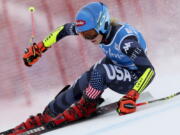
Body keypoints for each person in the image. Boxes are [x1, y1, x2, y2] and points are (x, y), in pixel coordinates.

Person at [12, 2, 155, 134]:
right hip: (116, 65)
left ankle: (86, 105)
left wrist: (132, 95)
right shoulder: (93, 29)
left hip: (134, 78)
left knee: (100, 72)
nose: (88, 38)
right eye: (83, 35)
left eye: (91, 34)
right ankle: (48, 114)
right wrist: (41, 47)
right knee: (84, 80)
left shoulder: (125, 41)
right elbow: (64, 30)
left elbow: (149, 71)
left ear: (103, 25)